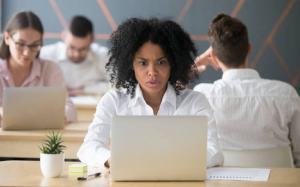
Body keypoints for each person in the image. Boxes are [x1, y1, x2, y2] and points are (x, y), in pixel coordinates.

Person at [77, 18, 224, 168]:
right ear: (131, 64)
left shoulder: (195, 102)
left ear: (173, 63)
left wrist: (174, 163)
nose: (152, 72)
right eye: (143, 63)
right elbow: (88, 147)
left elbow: (214, 152)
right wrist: (112, 160)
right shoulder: (114, 101)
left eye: (161, 62)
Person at [194, 13, 300, 167]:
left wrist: (193, 66)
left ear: (213, 56)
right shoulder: (287, 94)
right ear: (249, 48)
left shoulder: (203, 96)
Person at [0, 11, 77, 123]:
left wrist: (53, 115)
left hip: (41, 137)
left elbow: (71, 111)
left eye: (34, 45)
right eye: (21, 44)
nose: (27, 53)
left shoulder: (50, 69)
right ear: (7, 38)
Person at [40, 16, 109, 96]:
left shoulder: (103, 56)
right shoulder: (46, 55)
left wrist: (86, 90)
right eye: (72, 47)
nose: (76, 54)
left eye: (83, 48)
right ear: (63, 36)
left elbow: (119, 85)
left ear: (92, 40)